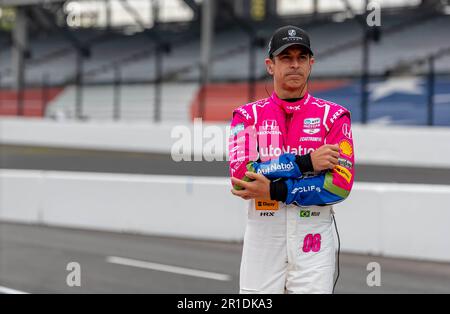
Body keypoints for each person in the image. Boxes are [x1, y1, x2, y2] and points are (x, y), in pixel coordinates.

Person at [228, 25, 355, 294]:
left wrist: (275, 188)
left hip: (314, 238)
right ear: (270, 65)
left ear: (311, 64)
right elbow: (242, 180)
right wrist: (305, 163)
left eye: (301, 58)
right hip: (263, 236)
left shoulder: (334, 117)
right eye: (286, 58)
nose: (294, 65)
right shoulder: (246, 117)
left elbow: (338, 186)